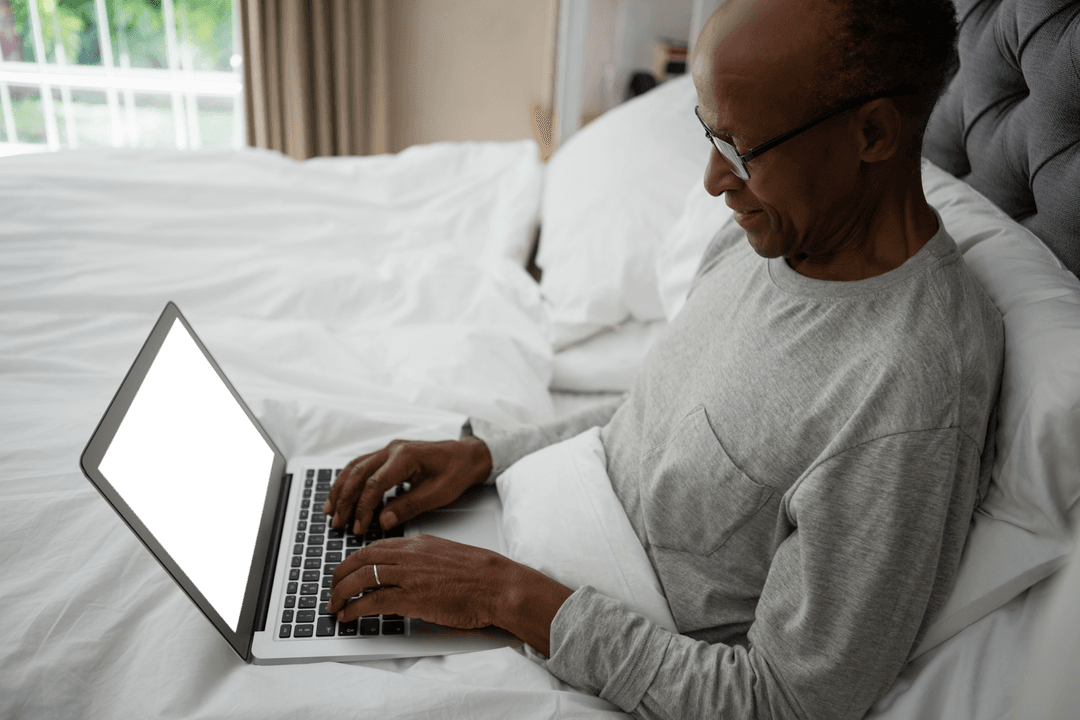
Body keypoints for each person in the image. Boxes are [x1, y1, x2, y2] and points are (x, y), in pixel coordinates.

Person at [323, 0, 1005, 717]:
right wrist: (486, 456)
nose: (712, 180)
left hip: (587, 644)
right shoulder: (771, 239)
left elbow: (784, 703)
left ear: (870, 132)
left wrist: (504, 594)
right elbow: (656, 422)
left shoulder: (908, 395)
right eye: (707, 133)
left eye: (741, 148)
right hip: (540, 533)